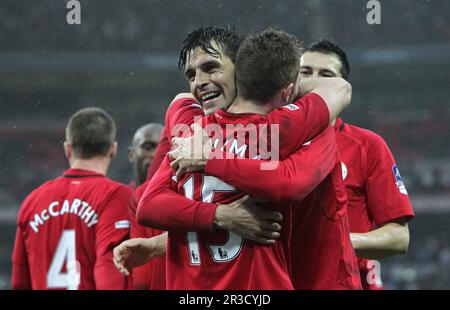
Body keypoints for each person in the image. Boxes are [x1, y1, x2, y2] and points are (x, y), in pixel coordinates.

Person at [131, 28, 358, 289]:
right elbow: (149, 205)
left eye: (210, 68)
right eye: (191, 75)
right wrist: (220, 215)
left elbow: (179, 101)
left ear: (241, 71)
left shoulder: (189, 132)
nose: (199, 82)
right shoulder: (289, 130)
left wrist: (211, 160)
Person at [298, 40, 415, 289]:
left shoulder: (368, 146)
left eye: (326, 74)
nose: (313, 81)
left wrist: (336, 240)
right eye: (305, 72)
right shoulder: (271, 139)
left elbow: (398, 238)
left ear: (343, 87)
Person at [12, 107, 131, 290]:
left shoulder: (33, 201)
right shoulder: (117, 196)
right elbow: (110, 272)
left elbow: (20, 283)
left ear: (67, 149)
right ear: (112, 150)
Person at [128, 123, 163, 189]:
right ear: (131, 154)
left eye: (163, 149)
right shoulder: (121, 197)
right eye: (148, 147)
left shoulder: (183, 195)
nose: (156, 154)